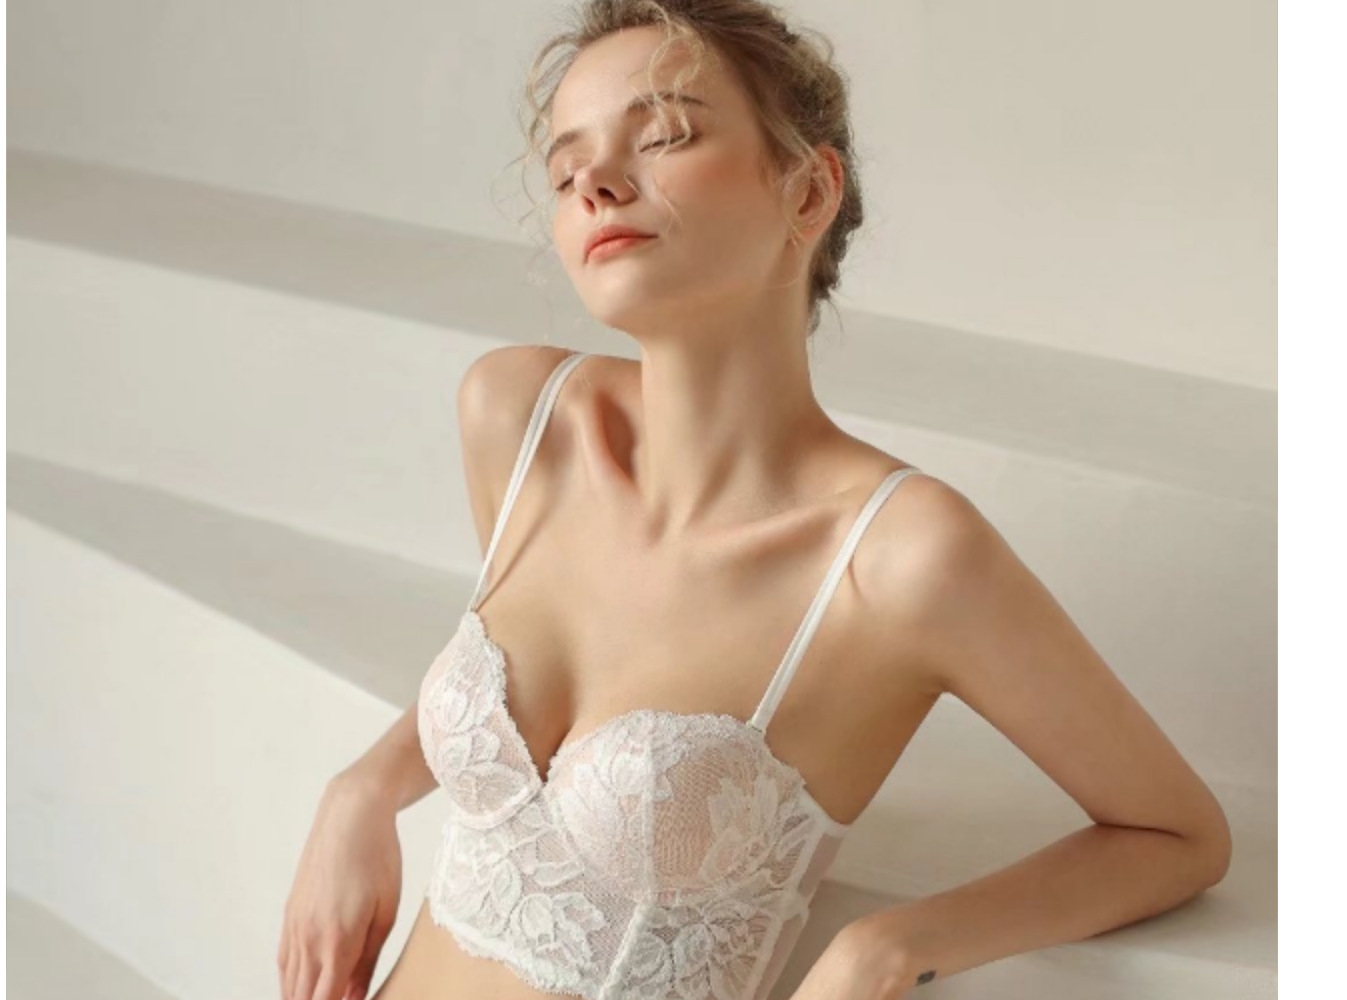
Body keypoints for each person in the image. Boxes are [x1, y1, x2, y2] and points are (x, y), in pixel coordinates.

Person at [278, 4, 1233, 1000]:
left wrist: (885, 947)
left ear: (807, 190)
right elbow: (534, 703)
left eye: (662, 136)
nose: (597, 183)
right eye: (565, 172)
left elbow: (1176, 835)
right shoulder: (519, 417)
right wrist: (364, 788)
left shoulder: (897, 558)